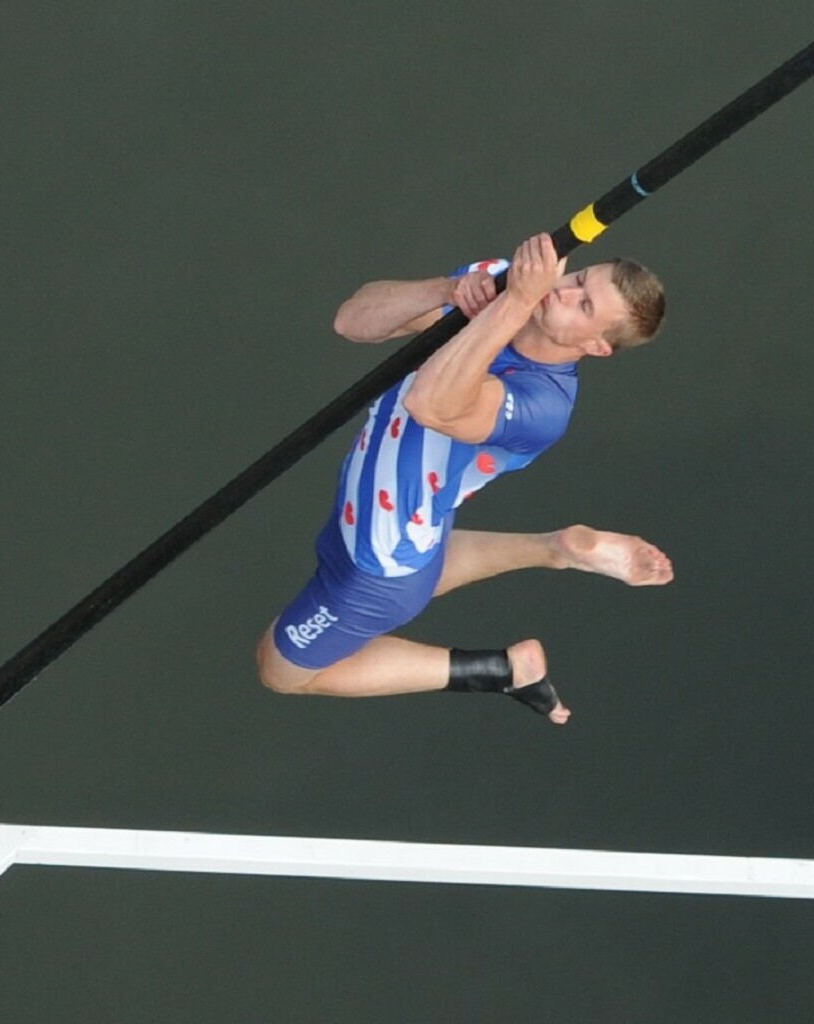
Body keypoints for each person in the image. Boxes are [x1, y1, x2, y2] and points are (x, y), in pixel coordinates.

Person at [255, 232, 672, 718]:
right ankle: (555, 549)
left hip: (377, 567)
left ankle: (496, 669)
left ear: (597, 346)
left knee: (279, 669)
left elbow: (431, 403)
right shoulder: (501, 284)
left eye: (582, 306)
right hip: (416, 531)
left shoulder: (543, 406)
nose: (560, 291)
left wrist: (512, 302)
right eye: (578, 278)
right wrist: (447, 292)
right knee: (424, 548)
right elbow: (352, 320)